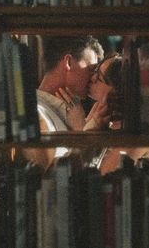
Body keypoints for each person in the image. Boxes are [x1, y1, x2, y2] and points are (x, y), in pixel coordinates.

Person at [56, 52, 149, 173]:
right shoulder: (101, 114)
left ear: (117, 90)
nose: (92, 78)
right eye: (95, 71)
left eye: (99, 77)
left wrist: (80, 128)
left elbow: (100, 174)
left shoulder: (134, 137)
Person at [24, 35, 110, 170]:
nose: (93, 78)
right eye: (91, 69)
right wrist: (81, 132)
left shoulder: (74, 112)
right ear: (68, 62)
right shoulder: (35, 112)